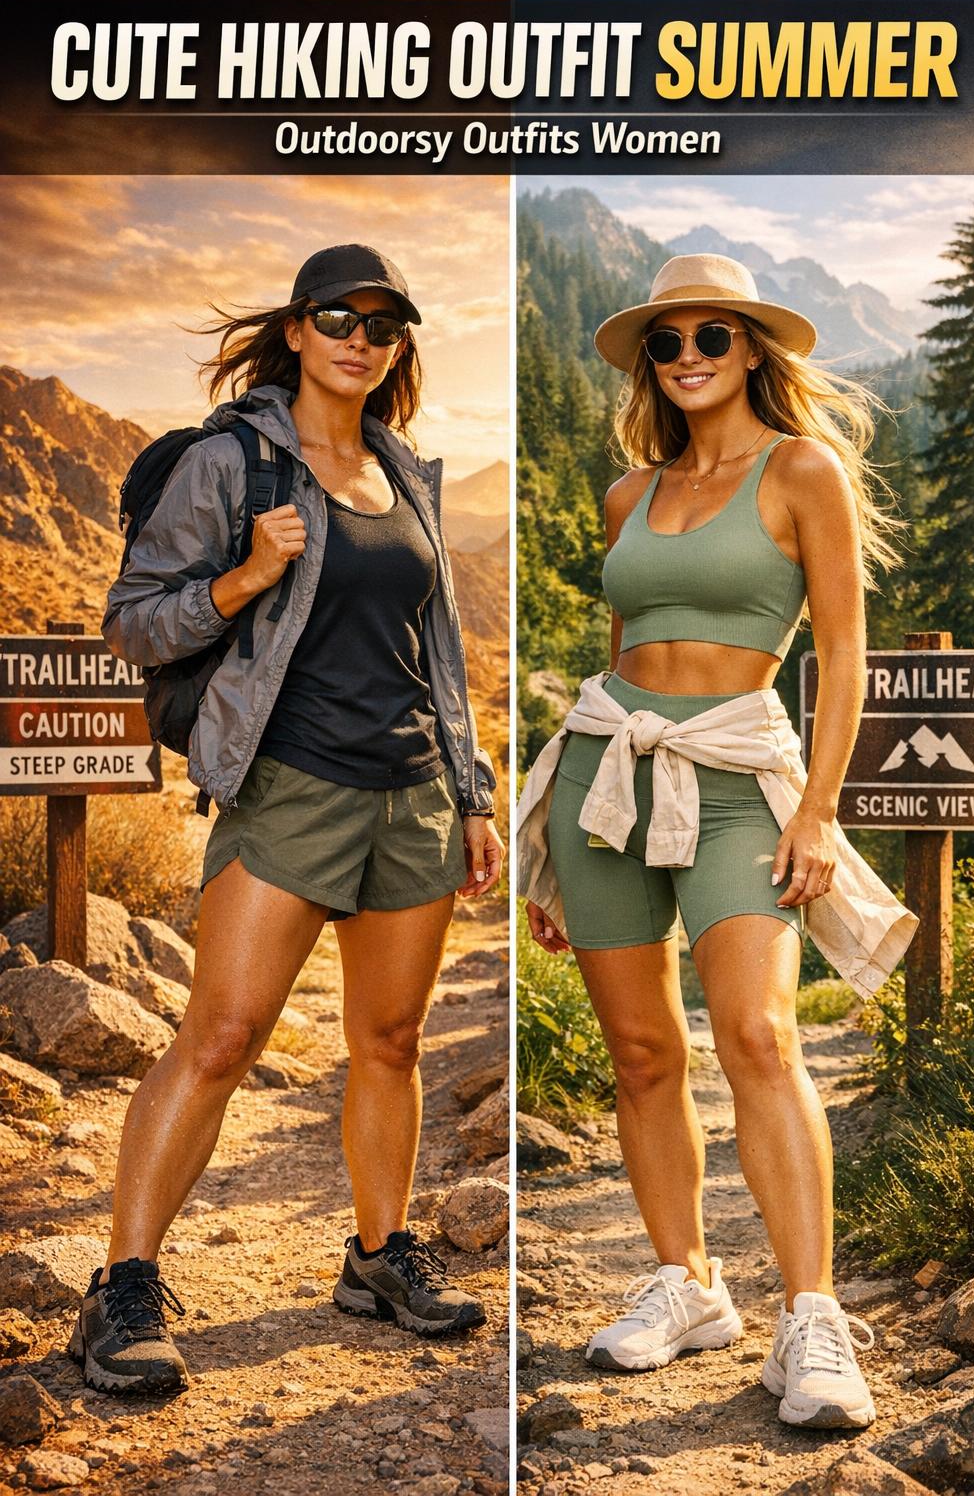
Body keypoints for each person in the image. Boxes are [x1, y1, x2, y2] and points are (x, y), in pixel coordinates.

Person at [70, 244, 505, 1396]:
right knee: (221, 1039)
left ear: (399, 344)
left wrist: (470, 793)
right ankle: (120, 1289)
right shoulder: (231, 464)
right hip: (290, 785)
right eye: (338, 316)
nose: (360, 336)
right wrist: (245, 576)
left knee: (391, 1043)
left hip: (409, 794)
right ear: (299, 330)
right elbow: (133, 624)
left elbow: (438, 653)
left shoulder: (403, 471)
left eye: (384, 322)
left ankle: (376, 1258)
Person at [518, 254, 918, 1431]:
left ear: (750, 348)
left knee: (756, 1031)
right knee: (641, 1052)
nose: (686, 356)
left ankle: (811, 1316)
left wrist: (819, 805)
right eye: (666, 341)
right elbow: (619, 646)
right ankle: (688, 1283)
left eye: (709, 336)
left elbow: (841, 653)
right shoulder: (625, 494)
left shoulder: (802, 469)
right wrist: (557, 838)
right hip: (608, 775)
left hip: (742, 774)